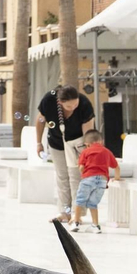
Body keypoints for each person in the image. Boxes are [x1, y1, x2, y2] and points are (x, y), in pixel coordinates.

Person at [35, 85, 96, 222]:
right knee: (62, 176)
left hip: (78, 143)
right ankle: (64, 212)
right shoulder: (49, 101)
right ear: (60, 102)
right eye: (69, 106)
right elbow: (40, 121)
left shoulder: (84, 104)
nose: (73, 108)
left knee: (76, 176)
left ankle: (77, 213)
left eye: (75, 104)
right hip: (57, 142)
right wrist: (39, 143)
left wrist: (88, 153)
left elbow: (88, 132)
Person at [70, 130, 120, 233]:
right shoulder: (107, 151)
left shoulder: (85, 152)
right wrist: (117, 178)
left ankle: (76, 222)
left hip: (88, 178)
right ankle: (95, 226)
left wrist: (84, 173)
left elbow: (81, 168)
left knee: (79, 200)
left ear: (87, 144)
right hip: (102, 181)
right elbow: (116, 167)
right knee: (93, 203)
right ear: (101, 141)